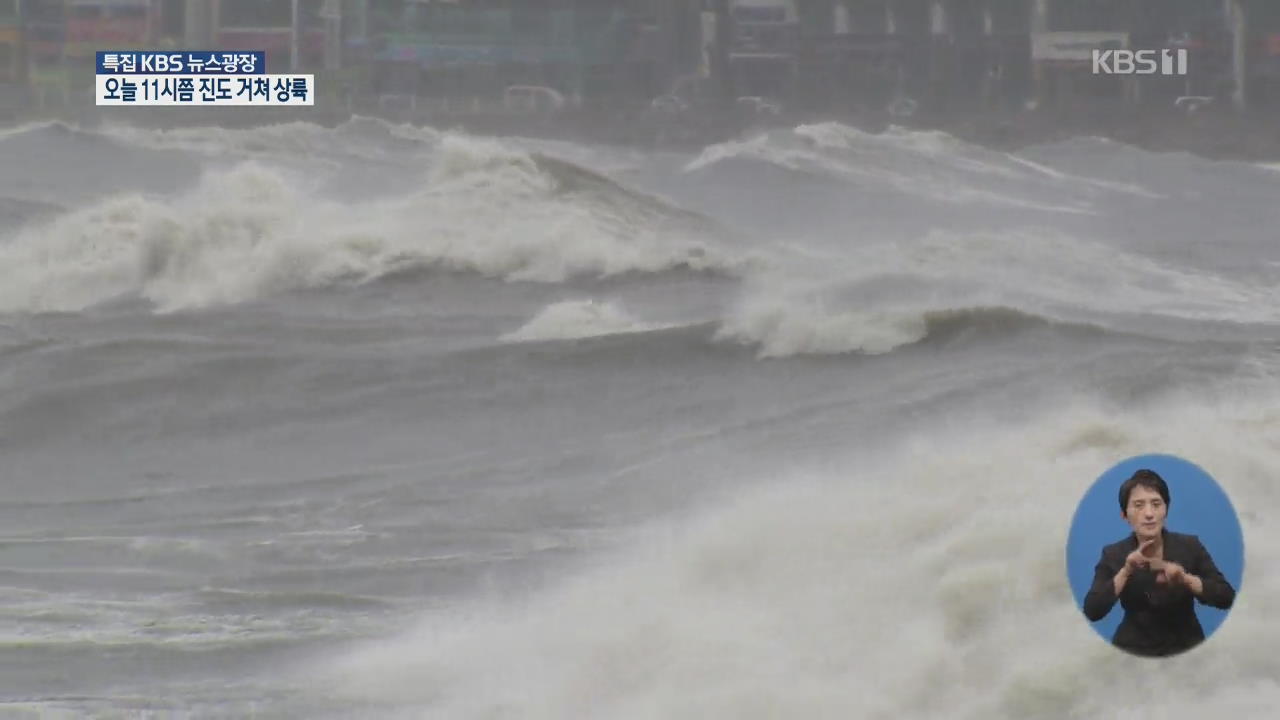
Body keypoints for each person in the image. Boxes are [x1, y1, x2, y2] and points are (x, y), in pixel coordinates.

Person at [1082, 469, 1236, 657]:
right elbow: (1092, 610)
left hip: (1188, 649)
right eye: (1138, 505)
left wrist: (1185, 579)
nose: (1149, 514)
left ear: (1166, 509)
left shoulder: (1190, 546)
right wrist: (1126, 571)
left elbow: (1227, 597)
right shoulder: (1114, 554)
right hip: (1133, 651)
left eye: (1156, 504)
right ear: (1124, 515)